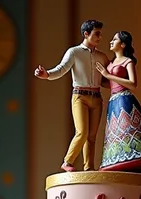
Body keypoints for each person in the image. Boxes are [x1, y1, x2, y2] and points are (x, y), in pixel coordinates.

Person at [34, 20, 109, 172]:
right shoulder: (74, 52)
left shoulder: (102, 56)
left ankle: (89, 167)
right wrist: (47, 74)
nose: (100, 37)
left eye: (100, 34)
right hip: (80, 96)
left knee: (92, 136)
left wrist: (121, 82)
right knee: (82, 132)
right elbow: (61, 69)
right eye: (96, 34)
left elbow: (106, 80)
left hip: (96, 97)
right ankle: (67, 161)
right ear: (86, 34)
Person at [95, 31, 141, 173]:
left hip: (124, 100)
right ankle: (116, 159)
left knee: (128, 131)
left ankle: (133, 156)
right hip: (113, 101)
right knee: (116, 132)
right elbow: (109, 83)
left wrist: (108, 75)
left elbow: (133, 83)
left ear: (123, 44)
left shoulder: (128, 61)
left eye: (114, 39)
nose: (111, 42)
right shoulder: (111, 62)